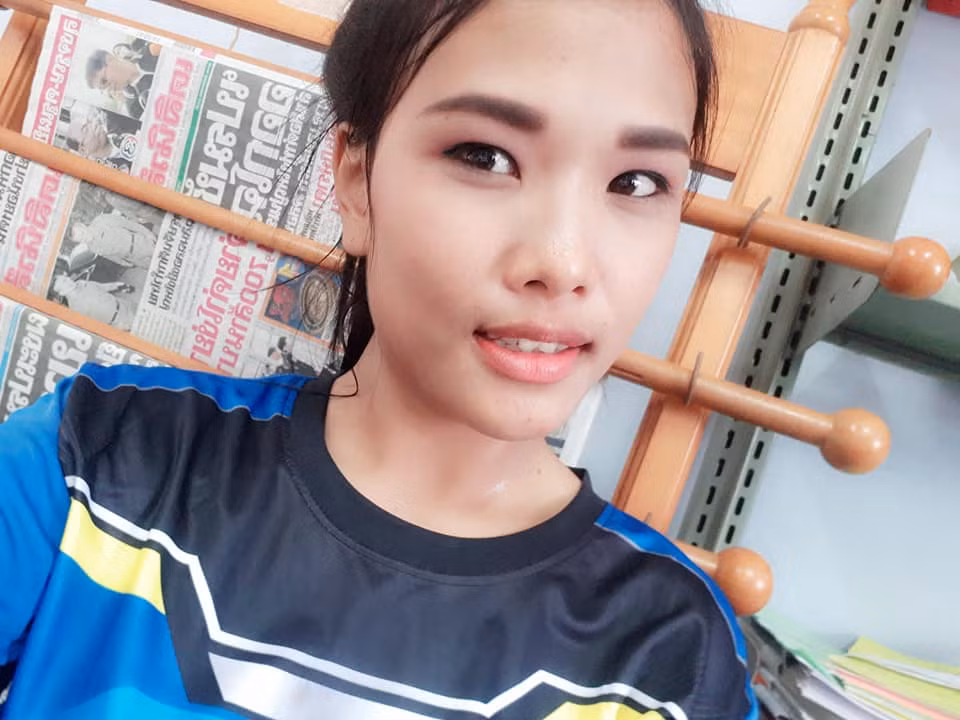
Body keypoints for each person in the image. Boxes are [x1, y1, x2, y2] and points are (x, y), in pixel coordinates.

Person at [0, 2, 757, 719]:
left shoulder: (672, 659)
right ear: (358, 182)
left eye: (636, 182)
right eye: (486, 157)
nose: (562, 265)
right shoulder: (94, 465)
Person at [85, 40, 158, 119]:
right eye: (103, 89)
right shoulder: (134, 109)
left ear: (109, 59)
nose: (109, 89)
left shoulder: (151, 50)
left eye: (104, 81)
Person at [48, 274, 138, 331]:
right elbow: (95, 329)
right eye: (64, 282)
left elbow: (104, 287)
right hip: (121, 322)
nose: (69, 280)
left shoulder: (84, 284)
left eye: (66, 278)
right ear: (62, 293)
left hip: (125, 304)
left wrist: (119, 286)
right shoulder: (76, 310)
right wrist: (119, 327)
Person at [71, 212, 157, 269]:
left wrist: (148, 233)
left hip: (141, 244)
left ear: (83, 226)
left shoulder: (101, 220)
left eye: (82, 233)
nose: (85, 238)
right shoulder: (92, 248)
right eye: (81, 240)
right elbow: (110, 256)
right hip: (136, 259)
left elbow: (129, 224)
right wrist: (123, 263)